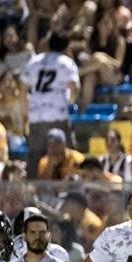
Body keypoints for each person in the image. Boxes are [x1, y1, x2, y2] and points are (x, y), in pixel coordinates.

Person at [21, 32, 80, 179]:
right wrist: (71, 101)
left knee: (35, 157)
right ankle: (67, 192)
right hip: (57, 116)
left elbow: (22, 89)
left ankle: (32, 195)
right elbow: (74, 87)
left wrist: (25, 113)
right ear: (66, 46)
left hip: (36, 117)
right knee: (65, 156)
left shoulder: (35, 61)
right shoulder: (66, 62)